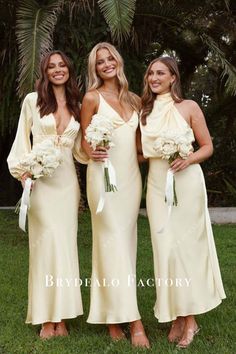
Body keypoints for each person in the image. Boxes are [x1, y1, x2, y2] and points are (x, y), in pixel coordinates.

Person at [140, 56, 226, 348]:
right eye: (151, 73)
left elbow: (207, 147)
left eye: (160, 73)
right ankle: (177, 314)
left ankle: (190, 321)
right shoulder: (144, 111)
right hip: (155, 186)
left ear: (173, 77)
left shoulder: (188, 107)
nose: (154, 77)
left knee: (186, 250)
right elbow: (140, 152)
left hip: (186, 184)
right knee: (165, 250)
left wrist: (186, 158)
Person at [7, 50, 83, 339]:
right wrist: (23, 172)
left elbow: (78, 150)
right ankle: (44, 318)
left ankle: (61, 318)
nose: (57, 70)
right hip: (40, 184)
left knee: (65, 247)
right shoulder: (32, 100)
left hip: (66, 184)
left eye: (62, 65)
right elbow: (21, 140)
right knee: (43, 247)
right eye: (51, 66)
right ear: (45, 71)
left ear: (69, 69)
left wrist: (100, 150)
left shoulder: (77, 103)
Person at [80, 42, 150, 348]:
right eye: (100, 62)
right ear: (94, 68)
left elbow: (138, 148)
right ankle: (134, 322)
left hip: (131, 181)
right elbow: (84, 140)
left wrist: (167, 151)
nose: (106, 64)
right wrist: (91, 150)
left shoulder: (134, 100)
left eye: (110, 59)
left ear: (118, 62)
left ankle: (111, 317)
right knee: (111, 242)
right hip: (102, 179)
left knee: (125, 244)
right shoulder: (91, 98)